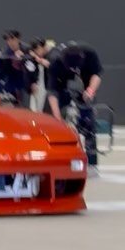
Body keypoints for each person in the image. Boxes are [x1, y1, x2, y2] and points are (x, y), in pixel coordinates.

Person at [47, 41, 102, 174]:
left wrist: (90, 90)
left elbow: (96, 75)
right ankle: (57, 159)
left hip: (85, 87)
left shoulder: (90, 54)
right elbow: (52, 91)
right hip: (62, 88)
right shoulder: (55, 60)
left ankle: (92, 163)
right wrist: (57, 115)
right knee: (53, 123)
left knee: (89, 123)